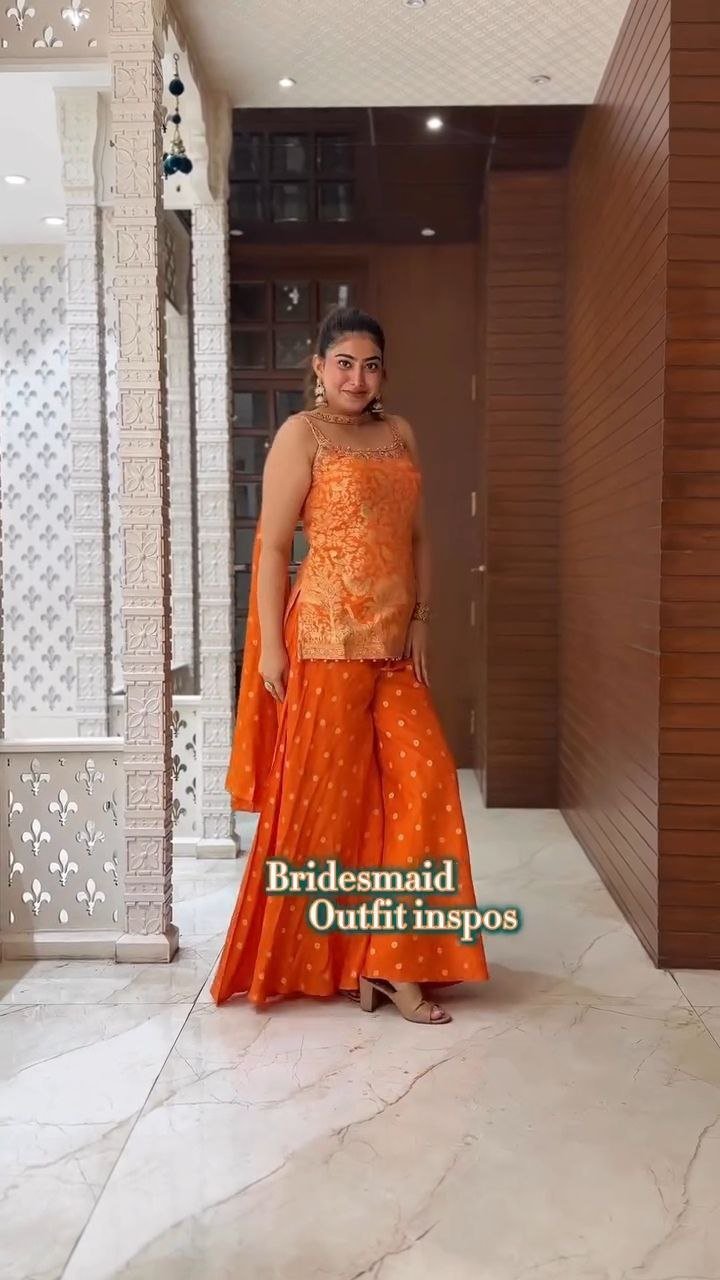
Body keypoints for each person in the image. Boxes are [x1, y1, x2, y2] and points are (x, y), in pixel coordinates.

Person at [211, 306, 490, 1023]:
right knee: (330, 809)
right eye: (344, 364)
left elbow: (420, 538)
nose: (356, 379)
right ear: (319, 366)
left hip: (393, 647)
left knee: (427, 786)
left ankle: (393, 959)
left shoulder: (400, 435)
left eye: (370, 366)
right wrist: (274, 647)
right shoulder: (300, 436)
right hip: (325, 643)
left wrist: (423, 618)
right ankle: (336, 962)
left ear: (383, 373)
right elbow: (274, 546)